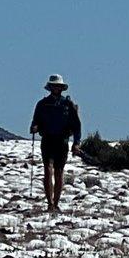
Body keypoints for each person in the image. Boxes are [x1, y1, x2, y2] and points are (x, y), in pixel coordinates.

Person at [30, 74, 81, 211]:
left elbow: (76, 125)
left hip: (62, 141)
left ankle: (56, 203)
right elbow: (35, 122)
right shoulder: (42, 104)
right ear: (50, 87)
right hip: (47, 140)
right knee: (48, 170)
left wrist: (76, 143)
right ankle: (50, 203)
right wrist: (34, 127)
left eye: (58, 86)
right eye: (54, 85)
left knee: (59, 171)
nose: (56, 88)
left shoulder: (68, 104)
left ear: (61, 88)